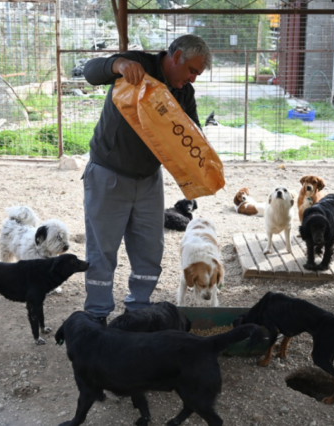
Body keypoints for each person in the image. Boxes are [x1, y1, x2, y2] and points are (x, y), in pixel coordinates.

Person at [81, 34, 212, 324]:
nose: (193, 79)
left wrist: (205, 163)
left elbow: (193, 136)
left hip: (149, 181)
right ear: (176, 57)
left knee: (150, 251)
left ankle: (138, 311)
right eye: (192, 70)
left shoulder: (183, 93)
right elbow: (90, 72)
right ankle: (97, 316)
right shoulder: (138, 64)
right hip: (108, 175)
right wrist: (118, 64)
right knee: (101, 251)